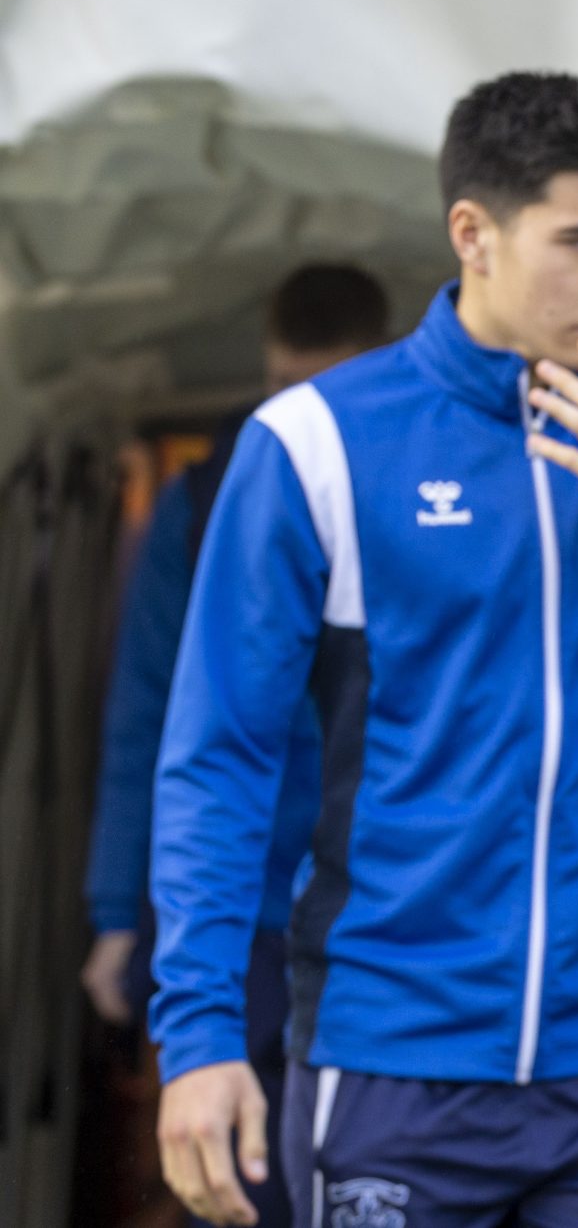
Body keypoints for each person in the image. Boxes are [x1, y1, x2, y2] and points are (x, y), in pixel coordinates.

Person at [148, 72, 578, 1227]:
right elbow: (219, 759)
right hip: (390, 1065)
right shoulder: (315, 444)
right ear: (474, 234)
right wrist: (201, 1037)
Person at [82, 264, 392, 1228]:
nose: (295, 416)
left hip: (387, 917)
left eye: (319, 389)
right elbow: (150, 716)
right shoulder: (204, 500)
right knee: (242, 1187)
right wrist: (116, 913)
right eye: (280, 387)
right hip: (246, 910)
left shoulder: (432, 490)